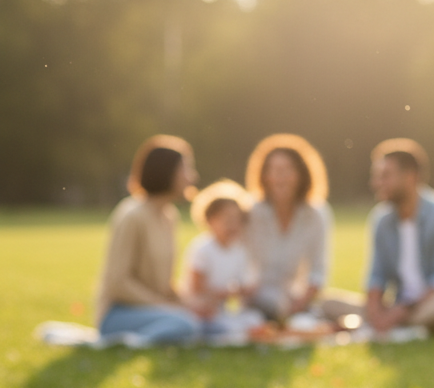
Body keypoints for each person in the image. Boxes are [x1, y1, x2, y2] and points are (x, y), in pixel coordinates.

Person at [96, 135, 203, 345]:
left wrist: (188, 302)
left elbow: (163, 282)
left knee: (199, 320)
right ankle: (133, 344)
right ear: (167, 172)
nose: (192, 177)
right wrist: (162, 305)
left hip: (155, 310)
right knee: (185, 325)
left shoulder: (169, 216)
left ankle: (140, 339)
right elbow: (118, 282)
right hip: (118, 314)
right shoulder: (131, 215)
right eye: (186, 169)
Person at [363, 139, 434, 336]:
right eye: (376, 177)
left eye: (385, 176)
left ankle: (397, 328)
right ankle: (398, 329)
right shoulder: (381, 220)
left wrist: (398, 314)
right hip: (396, 308)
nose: (376, 183)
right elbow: (377, 276)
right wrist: (375, 313)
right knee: (329, 304)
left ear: (410, 177)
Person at [243, 134, 356, 326]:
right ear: (265, 176)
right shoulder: (251, 213)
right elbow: (238, 261)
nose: (281, 177)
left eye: (287, 170)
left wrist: (301, 302)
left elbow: (318, 270)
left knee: (344, 307)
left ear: (301, 175)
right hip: (258, 299)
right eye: (275, 170)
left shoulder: (317, 214)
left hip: (298, 299)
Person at [181, 180, 265, 341]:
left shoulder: (240, 251)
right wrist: (226, 292)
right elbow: (196, 289)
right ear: (210, 221)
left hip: (223, 312)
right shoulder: (202, 249)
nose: (232, 226)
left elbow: (243, 285)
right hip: (201, 309)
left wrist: (246, 289)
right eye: (227, 220)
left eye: (236, 220)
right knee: (217, 328)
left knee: (254, 319)